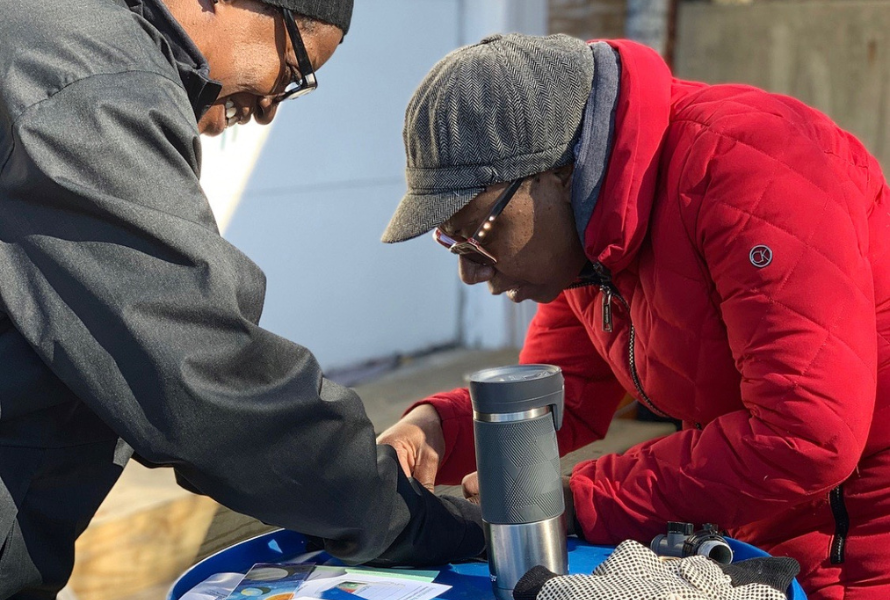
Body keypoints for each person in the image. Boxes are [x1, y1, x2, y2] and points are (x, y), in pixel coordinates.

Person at [377, 33, 890, 600]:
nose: (471, 272)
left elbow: (805, 432)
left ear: (559, 173)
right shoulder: (590, 245)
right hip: (768, 512)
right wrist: (433, 430)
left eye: (474, 230)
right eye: (449, 241)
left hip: (863, 522)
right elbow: (562, 396)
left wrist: (583, 497)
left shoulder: (752, 166)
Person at [0, 0, 483, 596]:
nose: (269, 110)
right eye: (293, 68)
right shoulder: (95, 82)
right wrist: (405, 516)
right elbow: (198, 368)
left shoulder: (65, 37)